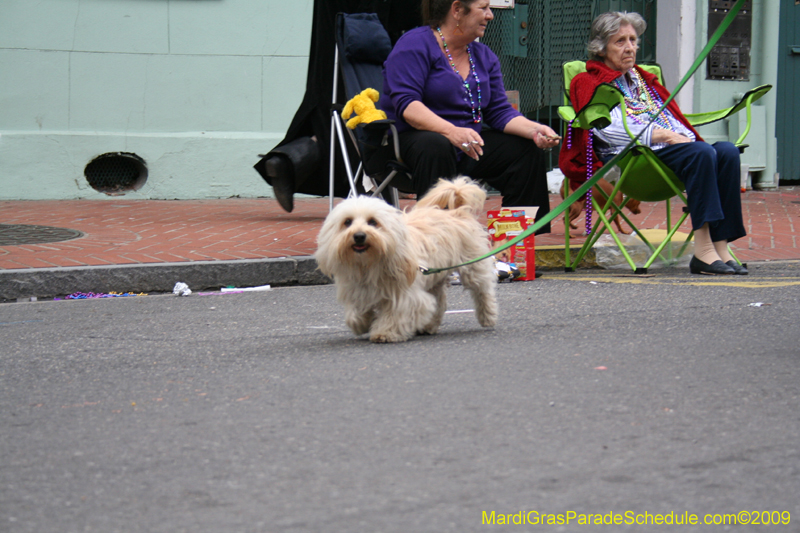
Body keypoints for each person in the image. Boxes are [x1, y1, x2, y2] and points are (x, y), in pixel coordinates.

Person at [559, 11, 747, 275]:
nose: (630, 48)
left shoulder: (643, 79)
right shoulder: (587, 81)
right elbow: (605, 129)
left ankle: (721, 247)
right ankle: (703, 252)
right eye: (620, 41)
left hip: (672, 154)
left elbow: (672, 116)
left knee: (726, 152)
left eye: (633, 40)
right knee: (701, 153)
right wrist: (664, 136)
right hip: (635, 158)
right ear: (601, 48)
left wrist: (682, 135)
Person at [379, 0, 560, 233]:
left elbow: (499, 111)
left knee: (525, 150)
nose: (490, 15)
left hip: (466, 143)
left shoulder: (484, 56)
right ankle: (438, 243)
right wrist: (450, 131)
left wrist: (534, 129)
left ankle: (513, 243)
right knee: (436, 144)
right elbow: (407, 105)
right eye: (483, 8)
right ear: (457, 10)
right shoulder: (414, 45)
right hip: (415, 142)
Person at [254, 0, 421, 213]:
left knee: (335, 99)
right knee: (365, 105)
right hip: (373, 25)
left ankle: (291, 160)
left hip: (339, 26)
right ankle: (370, 190)